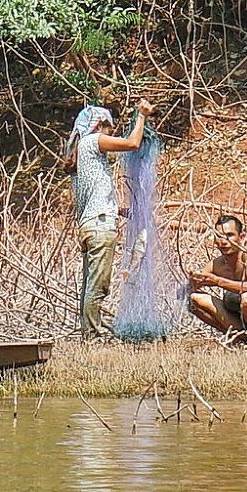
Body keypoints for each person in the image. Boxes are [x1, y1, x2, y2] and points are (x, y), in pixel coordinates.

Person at [67, 100, 149, 338]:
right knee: (98, 285)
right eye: (110, 129)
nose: (110, 135)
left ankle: (89, 332)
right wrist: (141, 116)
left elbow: (95, 198)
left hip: (90, 226)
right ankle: (92, 336)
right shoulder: (91, 142)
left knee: (90, 283)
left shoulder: (81, 159)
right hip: (100, 228)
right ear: (99, 125)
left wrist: (122, 211)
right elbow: (133, 143)